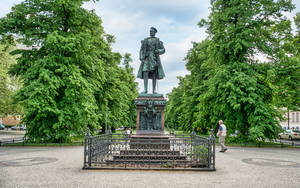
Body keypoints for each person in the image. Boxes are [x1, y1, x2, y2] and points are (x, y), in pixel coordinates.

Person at [137, 27, 165, 94]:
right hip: (147, 58)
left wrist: (158, 50)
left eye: (152, 31)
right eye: (150, 31)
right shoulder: (146, 40)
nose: (151, 32)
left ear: (155, 32)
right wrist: (141, 57)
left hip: (154, 58)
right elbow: (141, 50)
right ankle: (145, 90)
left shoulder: (158, 41)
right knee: (145, 72)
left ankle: (154, 90)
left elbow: (163, 50)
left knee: (154, 74)